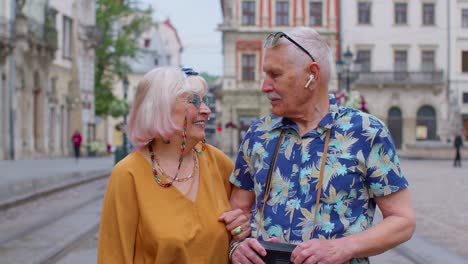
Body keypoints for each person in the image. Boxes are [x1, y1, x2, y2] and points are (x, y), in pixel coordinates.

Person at [228, 27, 416, 264]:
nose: (265, 86)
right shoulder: (258, 133)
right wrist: (237, 244)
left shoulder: (366, 133)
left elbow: (402, 221)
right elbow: (237, 212)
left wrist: (343, 248)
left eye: (274, 75)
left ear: (312, 75)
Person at [98, 67, 249, 263]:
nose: (206, 110)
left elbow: (243, 222)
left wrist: (242, 228)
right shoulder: (128, 174)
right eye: (194, 101)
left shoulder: (217, 162)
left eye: (205, 101)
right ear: (162, 108)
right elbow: (114, 256)